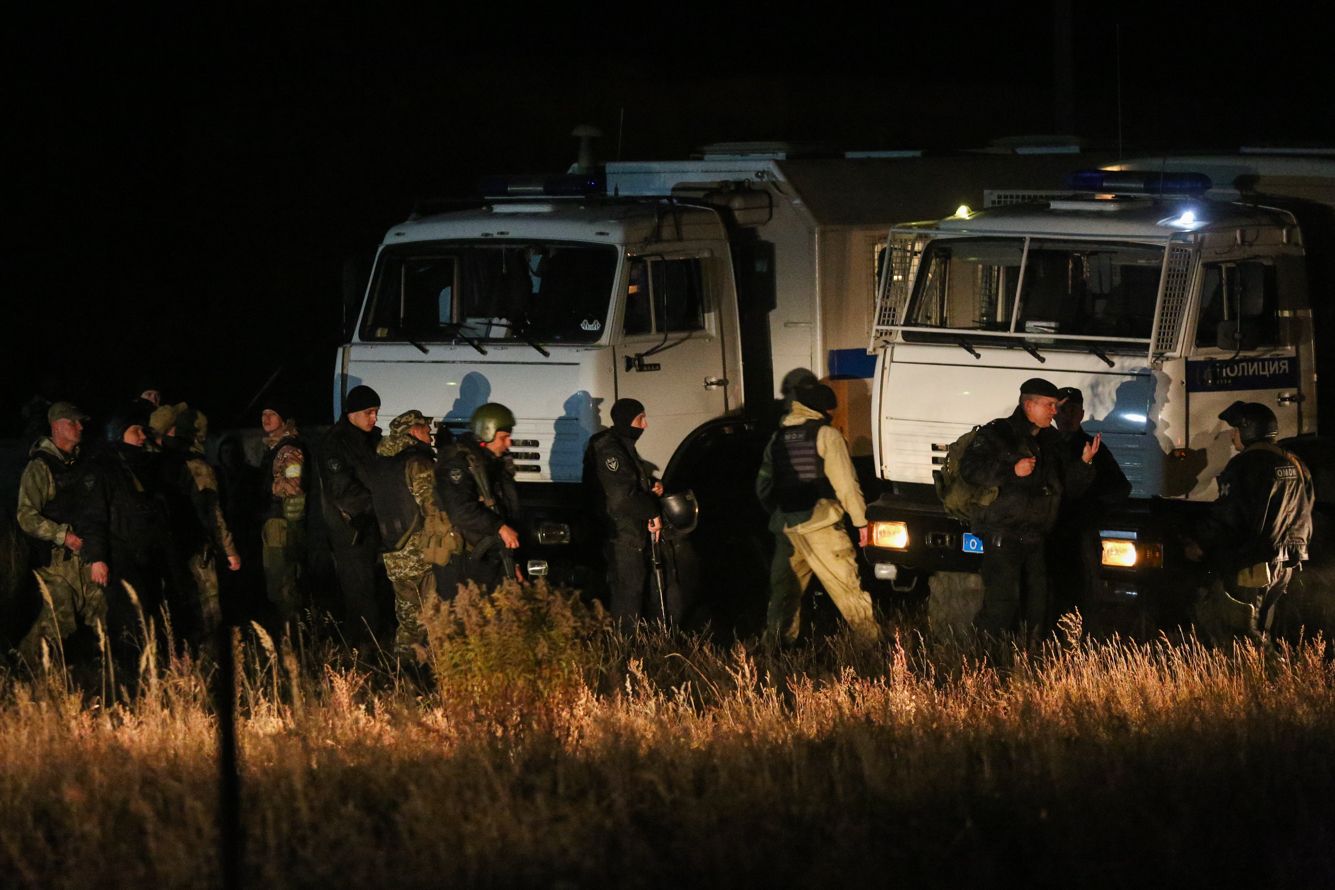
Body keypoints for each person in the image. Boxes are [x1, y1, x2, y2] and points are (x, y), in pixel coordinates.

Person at [959, 378, 1098, 638]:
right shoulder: (999, 433)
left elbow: (1067, 486)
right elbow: (970, 470)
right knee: (1001, 607)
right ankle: (984, 657)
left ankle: (1027, 657)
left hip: (1036, 537)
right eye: (1049, 405)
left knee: (1037, 609)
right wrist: (1011, 470)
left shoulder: (1052, 440)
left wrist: (1084, 464)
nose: (1054, 411)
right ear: (1029, 405)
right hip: (1004, 535)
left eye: (1055, 405)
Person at [757, 383, 879, 645]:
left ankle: (774, 653)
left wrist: (781, 514)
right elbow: (846, 485)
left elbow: (763, 487)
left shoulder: (778, 438)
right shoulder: (827, 435)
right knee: (848, 590)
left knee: (783, 597)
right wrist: (862, 523)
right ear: (823, 409)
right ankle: (872, 650)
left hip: (787, 530)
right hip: (822, 526)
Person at [1184, 401, 1315, 643]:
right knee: (1262, 626)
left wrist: (1200, 542)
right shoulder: (1295, 462)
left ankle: (1262, 665)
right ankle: (1264, 665)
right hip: (1286, 563)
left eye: (1235, 429)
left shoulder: (1245, 464)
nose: (1232, 435)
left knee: (1240, 631)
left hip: (1253, 563)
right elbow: (1306, 507)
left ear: (1248, 430)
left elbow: (1228, 513)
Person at [13, 402, 108, 667]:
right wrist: (62, 535)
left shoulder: (82, 463)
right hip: (56, 561)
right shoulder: (40, 467)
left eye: (80, 422)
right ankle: (24, 671)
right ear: (56, 426)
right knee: (58, 619)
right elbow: (26, 516)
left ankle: (99, 673)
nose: (80, 427)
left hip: (85, 554)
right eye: (72, 422)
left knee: (99, 610)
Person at [369, 411, 458, 660]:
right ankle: (430, 669)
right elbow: (431, 506)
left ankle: (402, 668)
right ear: (413, 431)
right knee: (431, 613)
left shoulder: (382, 461)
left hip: (393, 550)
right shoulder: (417, 462)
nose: (429, 432)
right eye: (425, 428)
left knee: (408, 617)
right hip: (418, 552)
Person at [84, 402, 171, 652]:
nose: (142, 436)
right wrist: (97, 558)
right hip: (119, 555)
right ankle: (130, 665)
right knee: (129, 615)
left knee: (150, 611)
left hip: (145, 553)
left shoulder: (141, 465)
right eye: (136, 430)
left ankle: (152, 661)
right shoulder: (103, 468)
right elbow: (93, 516)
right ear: (118, 433)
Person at [158, 406, 241, 643]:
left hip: (171, 547)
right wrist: (230, 550)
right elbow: (212, 513)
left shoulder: (160, 461)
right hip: (196, 546)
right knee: (208, 609)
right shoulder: (197, 466)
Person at [1049, 386, 1132, 622]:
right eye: (1063, 410)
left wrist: (1092, 512)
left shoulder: (1093, 448)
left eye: (1073, 410)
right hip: (1050, 532)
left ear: (1082, 414)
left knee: (1081, 597)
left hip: (1080, 536)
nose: (1067, 416)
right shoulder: (1046, 444)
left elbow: (1120, 488)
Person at [584, 398, 665, 626]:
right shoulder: (610, 450)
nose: (645, 425)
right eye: (640, 419)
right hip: (621, 534)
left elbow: (626, 481)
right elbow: (621, 499)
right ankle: (626, 644)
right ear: (627, 420)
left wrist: (650, 484)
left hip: (625, 533)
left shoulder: (620, 445)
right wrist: (652, 512)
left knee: (632, 594)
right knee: (627, 597)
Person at [318, 385, 385, 643]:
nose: (374, 418)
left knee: (373, 587)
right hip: (351, 530)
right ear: (352, 413)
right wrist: (379, 505)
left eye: (376, 412)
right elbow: (342, 489)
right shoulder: (336, 443)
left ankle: (373, 641)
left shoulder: (371, 439)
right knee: (359, 592)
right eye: (369, 412)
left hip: (372, 524)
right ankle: (362, 649)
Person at [438, 403, 522, 591]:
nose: (508, 443)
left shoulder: (494, 464)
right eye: (504, 437)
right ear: (487, 433)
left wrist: (512, 562)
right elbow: (460, 510)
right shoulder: (458, 462)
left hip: (493, 557)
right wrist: (499, 527)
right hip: (465, 561)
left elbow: (507, 508)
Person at [258, 396, 308, 622]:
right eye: (263, 414)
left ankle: (293, 631)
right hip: (275, 521)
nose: (266, 418)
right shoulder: (274, 447)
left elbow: (293, 486)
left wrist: (267, 486)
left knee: (283, 583)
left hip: (282, 523)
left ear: (284, 420)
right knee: (277, 581)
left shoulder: (288, 449)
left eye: (272, 414)